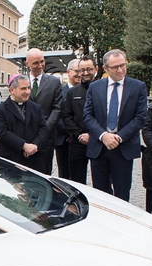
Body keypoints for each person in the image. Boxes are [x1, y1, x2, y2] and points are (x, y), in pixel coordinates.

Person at [82, 49, 147, 201]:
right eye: (115, 67)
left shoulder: (138, 87)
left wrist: (118, 137)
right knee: (100, 194)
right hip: (99, 148)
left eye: (123, 65)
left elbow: (140, 117)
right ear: (105, 69)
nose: (120, 70)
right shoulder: (95, 87)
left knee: (122, 194)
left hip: (123, 147)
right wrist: (103, 136)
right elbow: (88, 115)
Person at [0, 75, 49, 172]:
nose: (27, 92)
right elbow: (2, 133)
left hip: (35, 159)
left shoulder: (36, 108)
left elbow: (43, 128)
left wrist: (35, 146)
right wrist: (24, 146)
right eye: (23, 88)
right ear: (12, 90)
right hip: (12, 159)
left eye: (28, 88)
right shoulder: (0, 110)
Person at [26, 48, 62, 175]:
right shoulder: (20, 82)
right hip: (25, 137)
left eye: (42, 61)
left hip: (46, 138)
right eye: (36, 63)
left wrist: (44, 130)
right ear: (27, 64)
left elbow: (57, 108)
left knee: (44, 174)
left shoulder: (54, 82)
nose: (40, 65)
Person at [61, 56, 96, 184]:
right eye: (82, 70)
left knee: (101, 183)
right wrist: (79, 134)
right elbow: (67, 116)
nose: (85, 73)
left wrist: (92, 134)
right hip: (77, 142)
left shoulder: (103, 90)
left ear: (96, 69)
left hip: (98, 141)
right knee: (76, 182)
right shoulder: (72, 92)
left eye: (89, 69)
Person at [55, 59, 81, 179]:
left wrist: (78, 134)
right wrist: (71, 133)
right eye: (76, 71)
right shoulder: (59, 91)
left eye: (81, 71)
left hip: (81, 140)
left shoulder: (87, 91)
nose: (79, 74)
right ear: (68, 72)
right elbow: (57, 114)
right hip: (63, 140)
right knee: (64, 176)